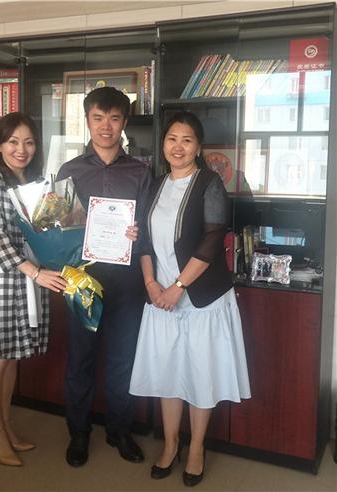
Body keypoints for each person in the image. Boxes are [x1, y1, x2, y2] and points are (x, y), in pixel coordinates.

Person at [129, 111, 251, 486]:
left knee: (200, 373)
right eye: (172, 139)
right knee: (168, 372)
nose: (178, 147)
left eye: (187, 140)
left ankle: (196, 448)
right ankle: (171, 444)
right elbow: (144, 240)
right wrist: (151, 283)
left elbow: (212, 241)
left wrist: (177, 287)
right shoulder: (154, 185)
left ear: (198, 147)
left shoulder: (209, 183)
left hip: (201, 299)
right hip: (160, 298)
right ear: (163, 144)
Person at [57, 87, 152, 467]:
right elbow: (56, 228)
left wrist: (137, 232)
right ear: (88, 120)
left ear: (124, 122)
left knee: (121, 360)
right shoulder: (69, 171)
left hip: (127, 281)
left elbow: (149, 226)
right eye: (98, 118)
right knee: (80, 360)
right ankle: (79, 433)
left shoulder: (141, 171)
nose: (106, 126)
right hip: (83, 279)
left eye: (114, 118)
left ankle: (119, 430)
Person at [0, 112, 66, 467]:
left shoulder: (34, 182)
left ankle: (5, 425)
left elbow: (47, 229)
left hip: (29, 278)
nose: (21, 149)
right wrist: (36, 273)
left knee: (10, 357)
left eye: (28, 142)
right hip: (1, 279)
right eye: (13, 142)